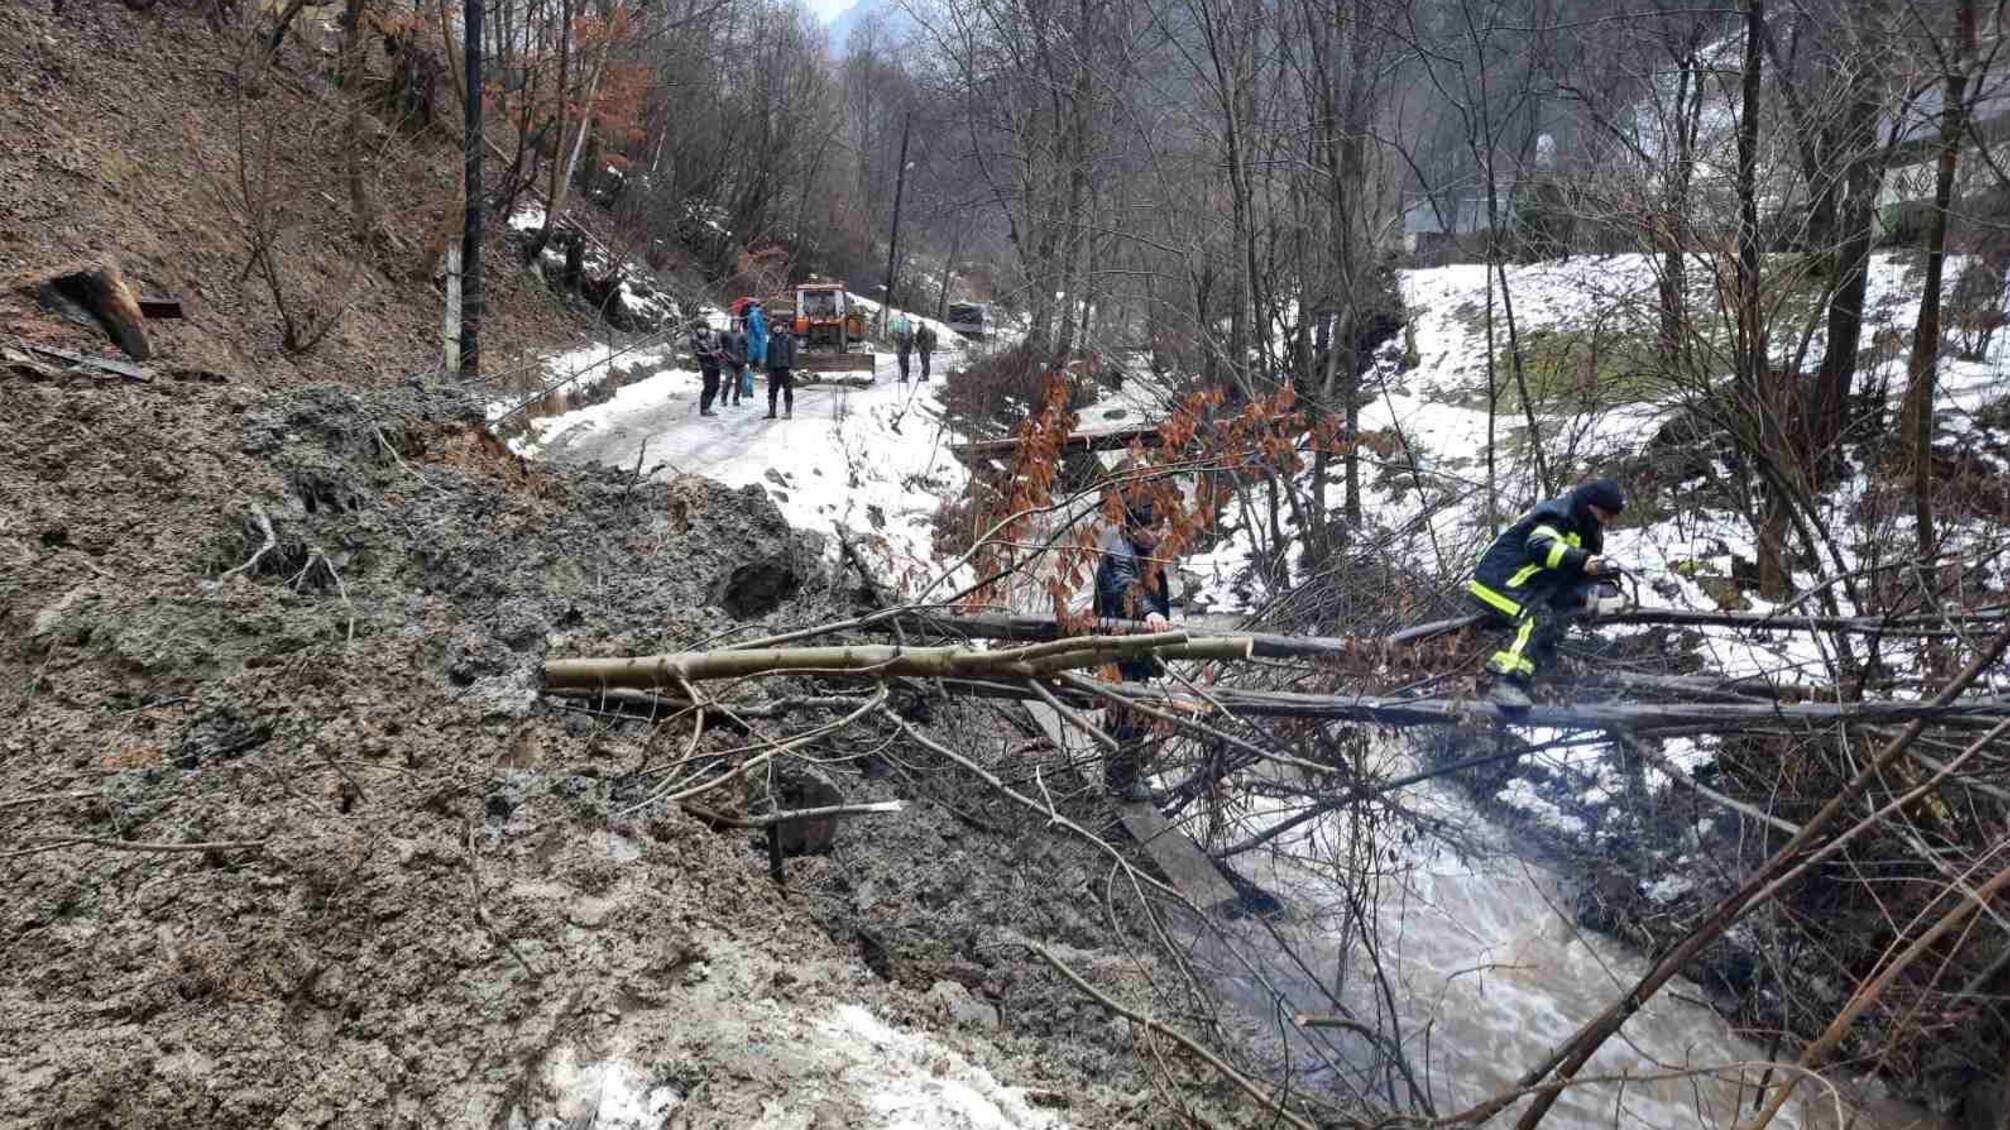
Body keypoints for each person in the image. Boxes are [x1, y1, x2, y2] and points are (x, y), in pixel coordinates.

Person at [1467, 478, 1625, 709]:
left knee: (1559, 618)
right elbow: (1538, 546)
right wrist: (1582, 560)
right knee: (1538, 617)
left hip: (1531, 584)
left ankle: (1535, 675)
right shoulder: (1560, 516)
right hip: (1500, 581)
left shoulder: (1589, 530)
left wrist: (1604, 591)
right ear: (1591, 506)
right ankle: (1504, 683)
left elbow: (1578, 573)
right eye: (1605, 515)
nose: (1608, 522)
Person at [1094, 499, 1172, 802]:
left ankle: (1128, 772)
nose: (1161, 534)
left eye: (1161, 527)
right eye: (1154, 528)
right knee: (1127, 711)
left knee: (1134, 708)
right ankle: (1119, 782)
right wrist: (1150, 612)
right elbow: (1129, 588)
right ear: (1134, 528)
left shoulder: (1139, 550)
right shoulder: (1120, 554)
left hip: (1133, 644)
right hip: (1121, 645)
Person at [688, 324, 723, 416]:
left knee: (716, 386)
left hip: (716, 363)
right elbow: (697, 352)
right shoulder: (694, 338)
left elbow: (720, 346)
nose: (701, 330)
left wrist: (718, 352)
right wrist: (709, 354)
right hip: (706, 364)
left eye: (703, 328)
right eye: (699, 328)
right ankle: (704, 408)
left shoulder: (713, 335)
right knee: (708, 386)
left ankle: (708, 407)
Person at [765, 326, 797, 419]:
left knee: (787, 389)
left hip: (785, 367)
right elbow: (768, 355)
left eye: (779, 326)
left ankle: (788, 412)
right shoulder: (770, 339)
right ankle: (772, 411)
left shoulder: (788, 338)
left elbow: (792, 354)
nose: (777, 328)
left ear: (782, 327)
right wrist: (767, 369)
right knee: (772, 390)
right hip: (773, 368)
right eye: (775, 327)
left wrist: (792, 367)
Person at [720, 325, 748, 407]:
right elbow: (721, 345)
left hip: (740, 361)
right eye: (734, 323)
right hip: (729, 360)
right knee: (728, 378)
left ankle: (736, 399)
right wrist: (724, 356)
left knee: (739, 380)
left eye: (737, 323)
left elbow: (746, 348)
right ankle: (723, 399)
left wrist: (746, 361)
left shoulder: (743, 335)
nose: (736, 325)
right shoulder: (726, 334)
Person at [893, 315, 914, 382]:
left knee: (904, 363)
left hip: (905, 349)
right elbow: (897, 338)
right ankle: (903, 377)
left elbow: (908, 339)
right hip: (901, 348)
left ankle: (905, 377)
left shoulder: (908, 328)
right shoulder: (900, 328)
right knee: (901, 363)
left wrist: (902, 345)